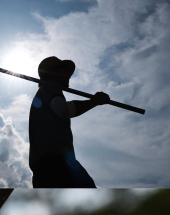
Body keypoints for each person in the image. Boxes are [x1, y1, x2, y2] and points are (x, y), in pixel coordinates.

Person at [28, 56, 110, 188]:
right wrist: (95, 101)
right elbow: (64, 110)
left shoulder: (44, 92)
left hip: (44, 169)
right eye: (64, 71)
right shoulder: (50, 86)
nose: (68, 76)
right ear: (53, 72)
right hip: (56, 163)